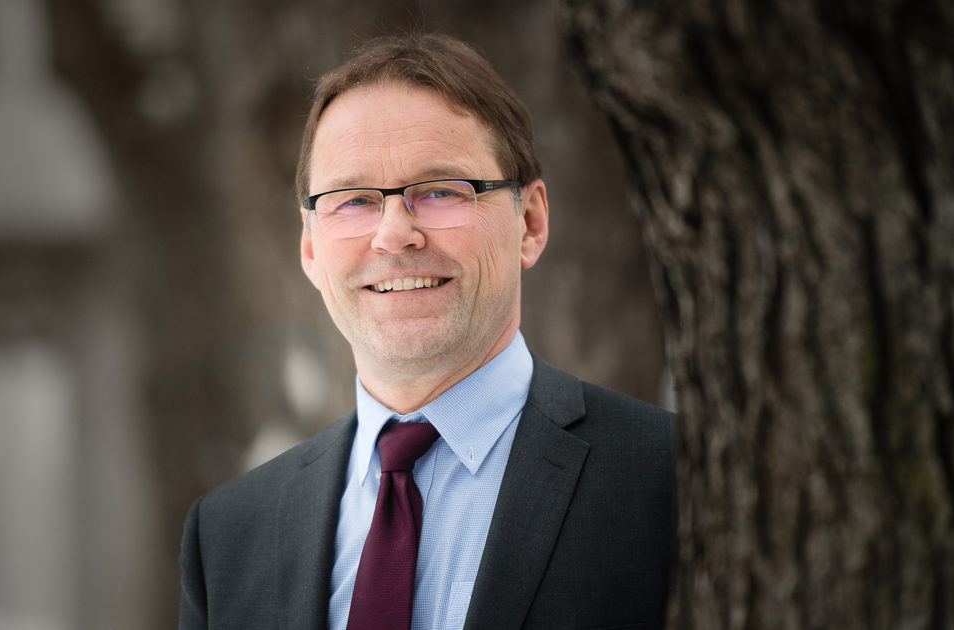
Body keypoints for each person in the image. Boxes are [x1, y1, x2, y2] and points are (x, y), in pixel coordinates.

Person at [178, 33, 673, 630]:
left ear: (530, 223)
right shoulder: (227, 534)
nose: (393, 235)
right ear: (310, 247)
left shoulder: (670, 479)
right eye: (353, 200)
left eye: (440, 191)